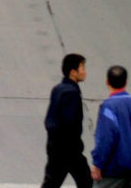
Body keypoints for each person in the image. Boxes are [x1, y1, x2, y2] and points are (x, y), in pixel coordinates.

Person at [91, 65, 131, 188]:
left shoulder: (109, 107)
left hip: (114, 171)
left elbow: (105, 139)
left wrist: (98, 164)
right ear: (126, 81)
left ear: (107, 81)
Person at [40, 54, 91, 188]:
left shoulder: (58, 89)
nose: (85, 71)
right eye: (82, 68)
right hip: (68, 150)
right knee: (87, 182)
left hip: (55, 148)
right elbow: (70, 123)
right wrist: (76, 146)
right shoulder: (71, 93)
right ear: (73, 72)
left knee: (51, 183)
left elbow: (50, 119)